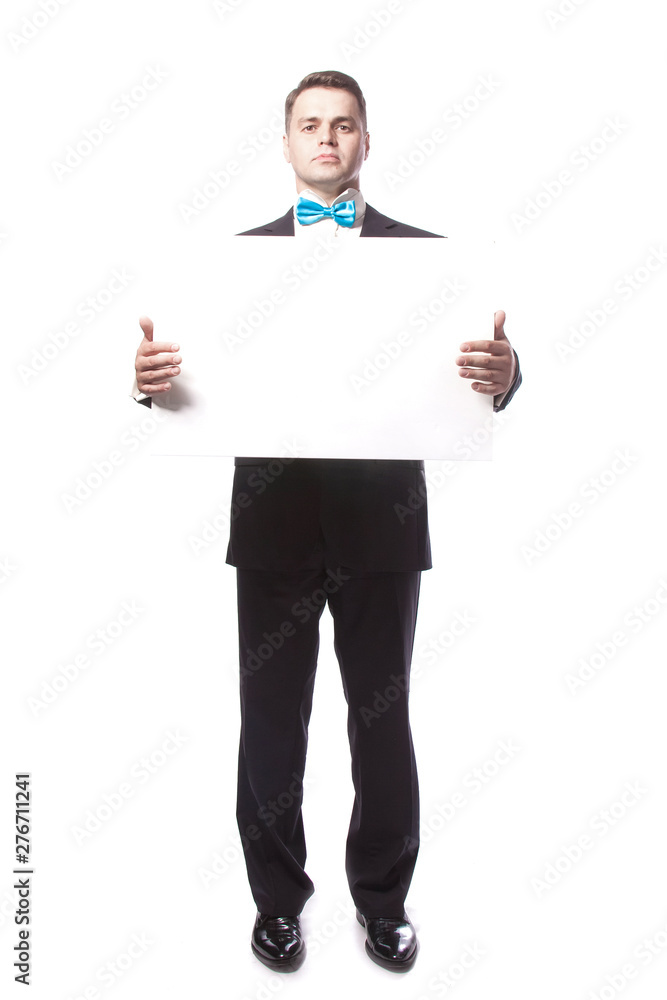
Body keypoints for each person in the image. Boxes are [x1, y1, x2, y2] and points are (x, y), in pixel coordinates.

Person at [132, 70, 522, 974]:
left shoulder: (431, 260)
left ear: (365, 142)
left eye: (342, 125)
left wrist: (506, 375)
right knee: (271, 722)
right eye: (309, 124)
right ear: (285, 143)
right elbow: (187, 380)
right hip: (273, 522)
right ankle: (277, 905)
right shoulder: (226, 266)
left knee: (381, 721)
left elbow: (476, 370)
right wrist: (149, 382)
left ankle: (382, 902)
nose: (326, 138)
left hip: (382, 523)